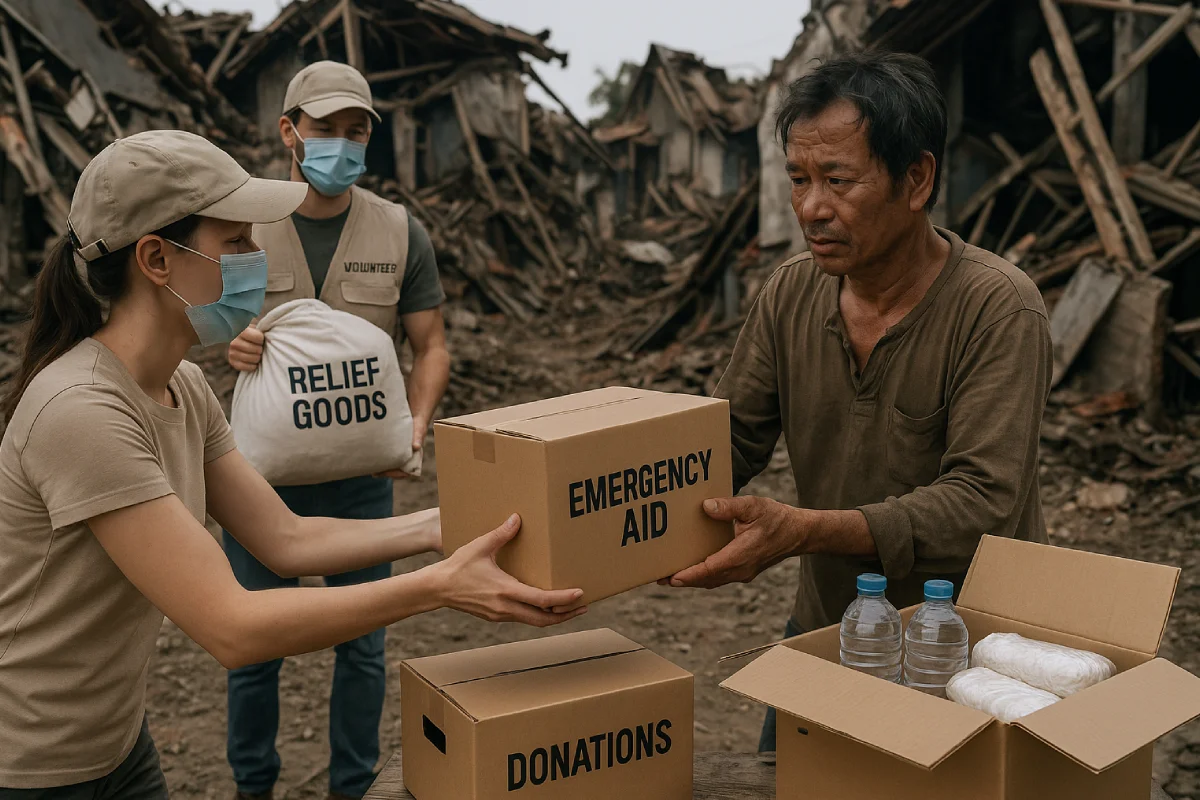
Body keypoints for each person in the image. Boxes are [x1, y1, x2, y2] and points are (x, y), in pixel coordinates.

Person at [0, 129, 585, 799]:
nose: (256, 258)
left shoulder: (182, 386)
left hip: (118, 743)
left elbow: (287, 538)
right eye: (236, 242)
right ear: (157, 259)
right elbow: (231, 626)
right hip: (32, 764)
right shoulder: (82, 411)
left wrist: (438, 527)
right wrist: (439, 587)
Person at [663, 52, 1052, 751]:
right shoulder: (790, 292)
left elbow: (981, 501)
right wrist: (615, 517)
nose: (812, 207)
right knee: (786, 782)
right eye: (799, 179)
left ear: (916, 180)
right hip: (832, 626)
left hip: (962, 653)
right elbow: (729, 443)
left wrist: (802, 530)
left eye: (838, 180)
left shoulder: (997, 308)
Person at [221, 61, 451, 800]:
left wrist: (415, 425)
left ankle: (353, 786)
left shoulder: (399, 230)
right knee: (254, 647)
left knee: (363, 646)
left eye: (357, 131)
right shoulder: (241, 224)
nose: (342, 144)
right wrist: (229, 342)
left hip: (361, 485)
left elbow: (432, 345)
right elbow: (194, 324)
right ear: (289, 132)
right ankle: (253, 785)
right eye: (325, 128)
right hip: (260, 485)